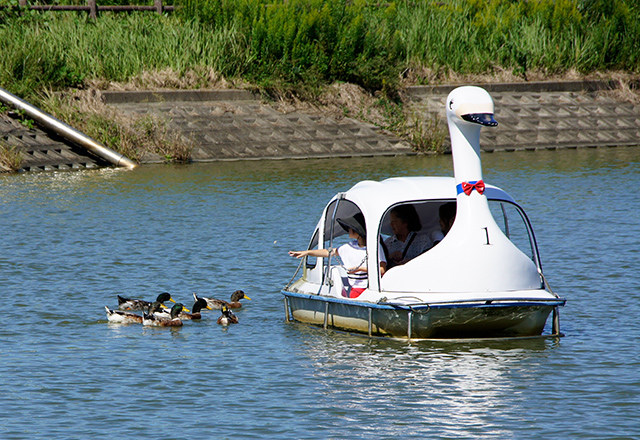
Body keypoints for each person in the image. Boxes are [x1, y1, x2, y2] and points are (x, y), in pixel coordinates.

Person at [289, 213, 387, 299]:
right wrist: (308, 252)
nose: (348, 229)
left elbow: (382, 270)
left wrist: (361, 269)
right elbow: (329, 252)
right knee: (352, 294)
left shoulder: (375, 247)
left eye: (351, 227)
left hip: (370, 289)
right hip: (355, 289)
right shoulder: (348, 247)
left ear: (358, 232)